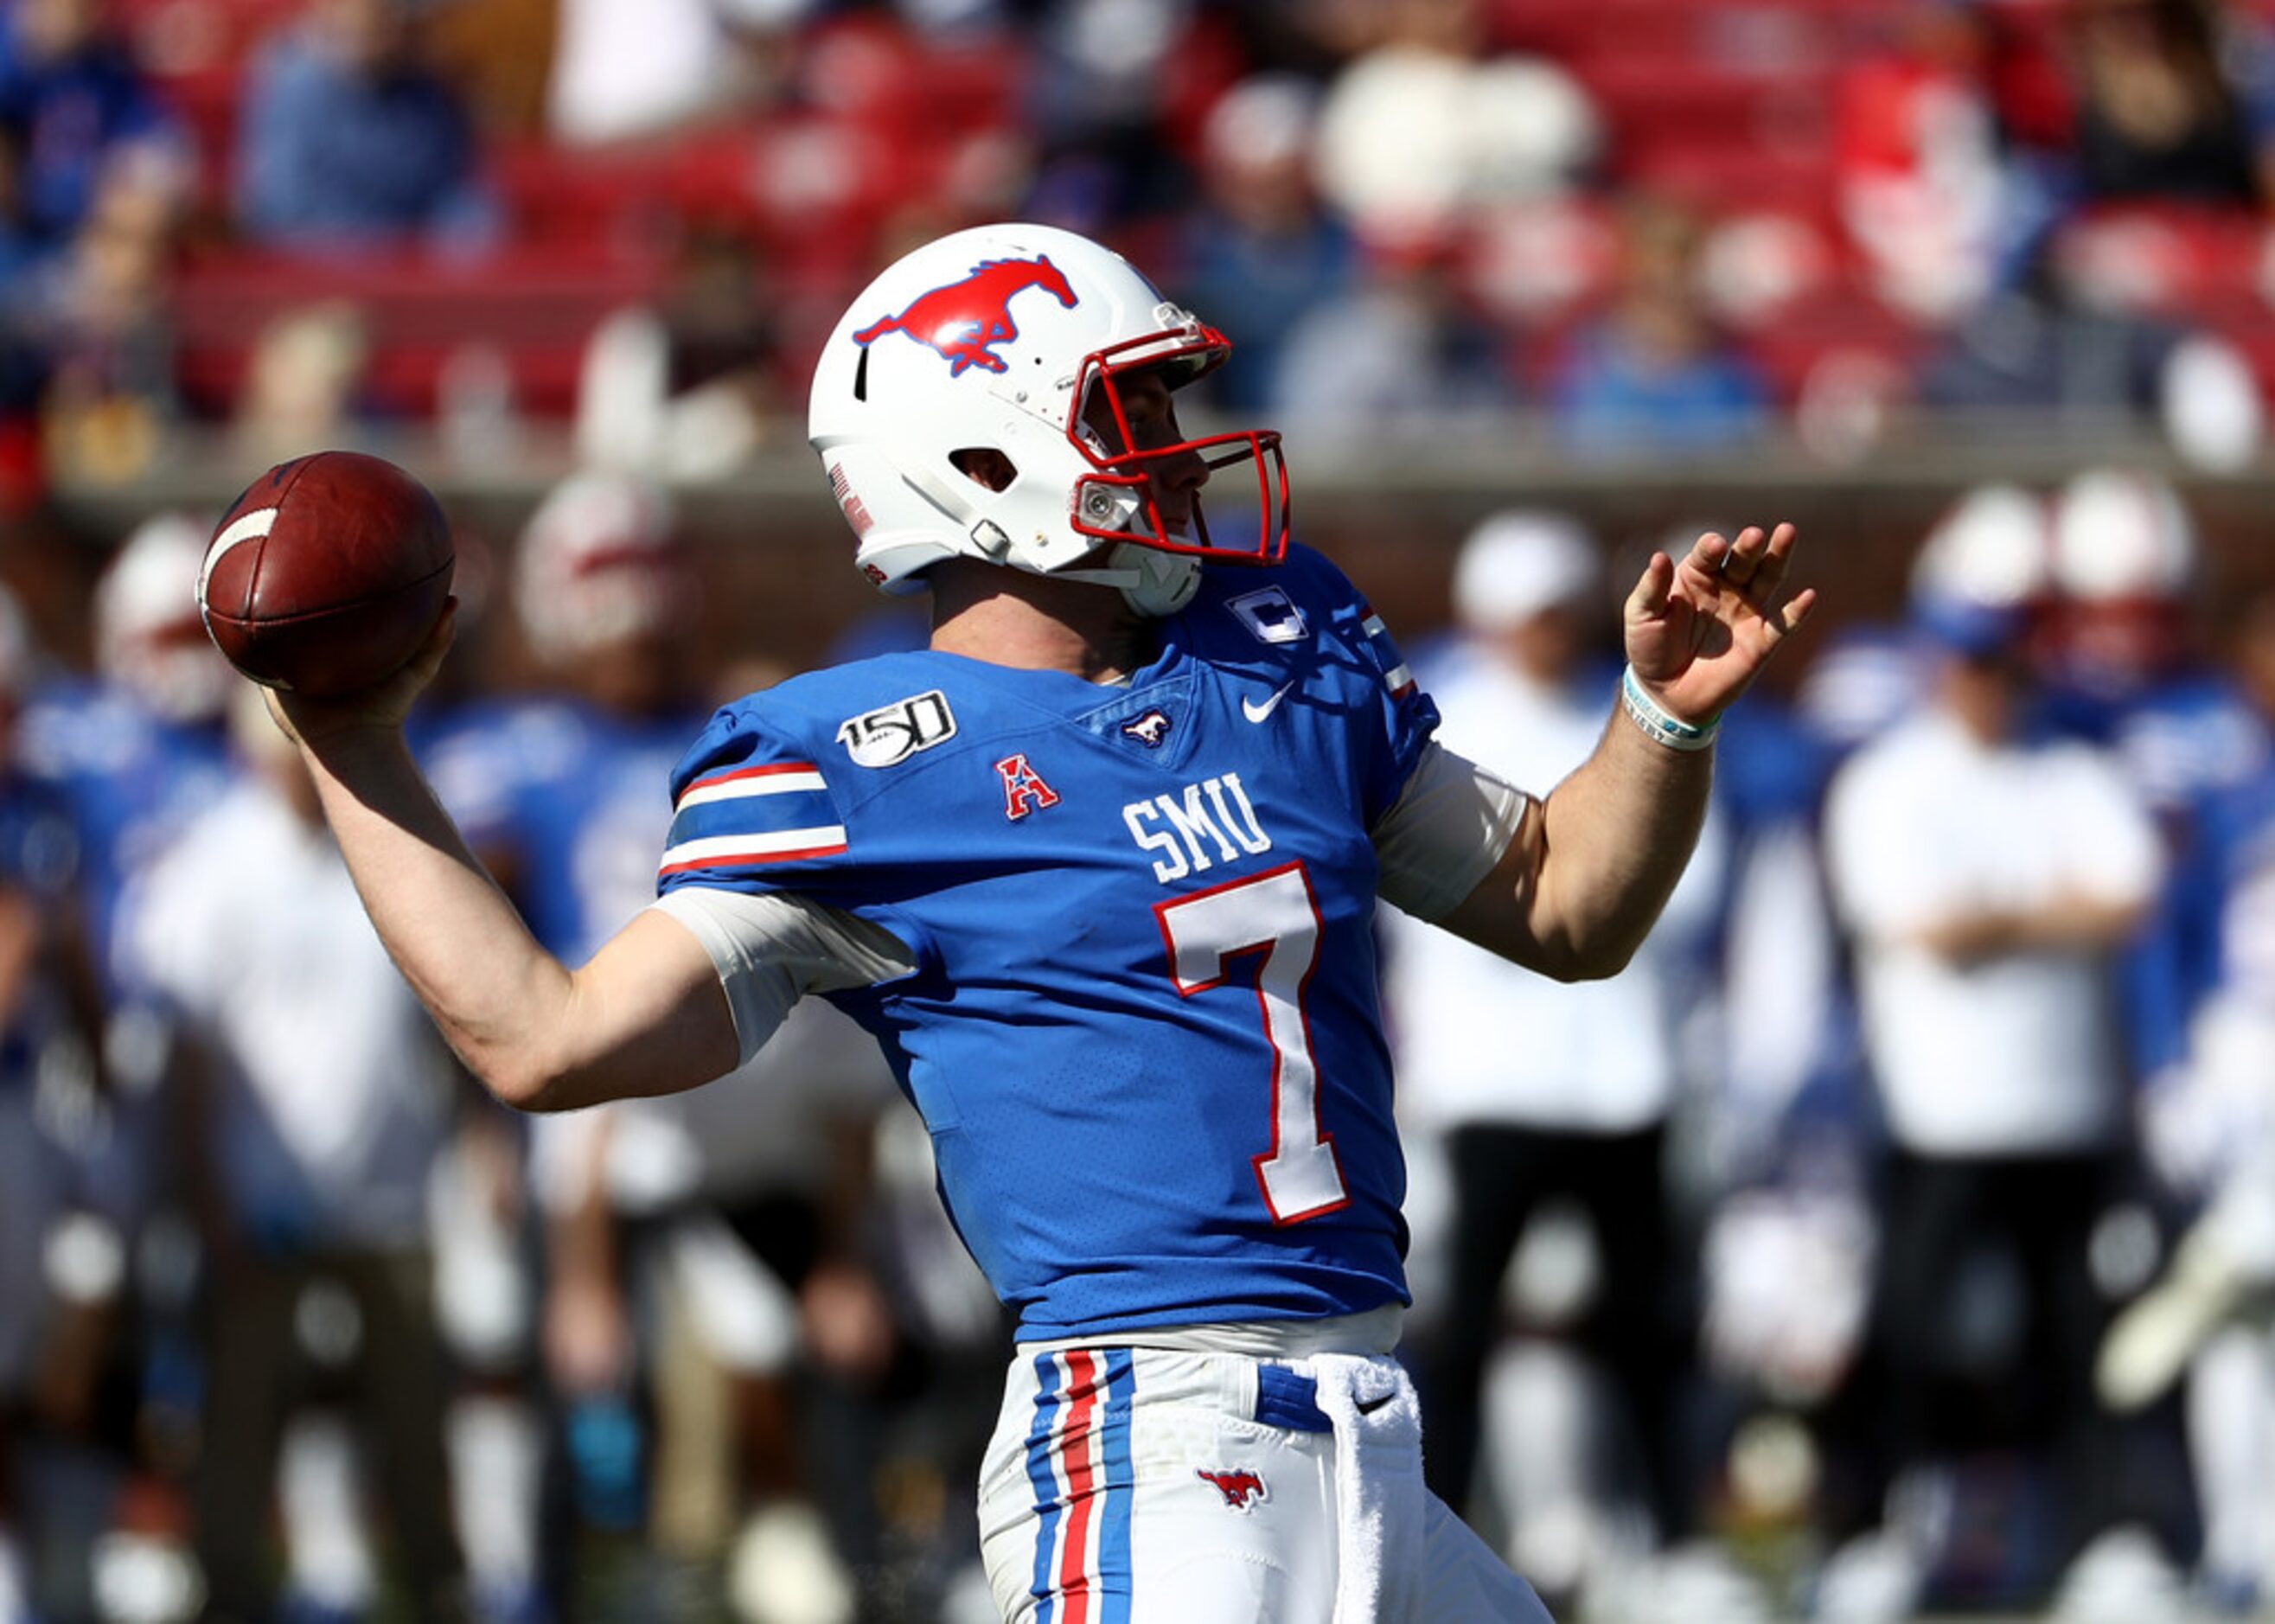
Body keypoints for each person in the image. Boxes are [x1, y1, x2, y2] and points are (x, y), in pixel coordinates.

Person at [254, 221, 1813, 1622]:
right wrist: (355, 743)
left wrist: (1658, 725)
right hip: (1153, 1432)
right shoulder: (854, 763)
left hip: (1371, 1425)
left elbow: (1564, 901)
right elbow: (545, 1037)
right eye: (1122, 411)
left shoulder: (1276, 642)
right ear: (982, 460)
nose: (1173, 446)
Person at [1381, 511, 1726, 1610]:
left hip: (1622, 1074)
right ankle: (1428, 1542)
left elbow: (1683, 889)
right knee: (1464, 1332)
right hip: (1489, 1084)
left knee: (1648, 1329)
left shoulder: (1619, 714)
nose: (1552, 634)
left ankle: (1675, 1544)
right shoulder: (1443, 727)